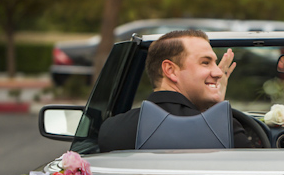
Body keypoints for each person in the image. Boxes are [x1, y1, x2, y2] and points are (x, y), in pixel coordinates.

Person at [98, 30, 256, 151]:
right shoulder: (225, 130)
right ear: (170, 70)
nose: (218, 73)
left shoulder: (112, 129)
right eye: (205, 62)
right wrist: (217, 117)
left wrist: (212, 110)